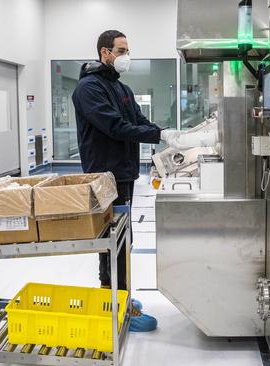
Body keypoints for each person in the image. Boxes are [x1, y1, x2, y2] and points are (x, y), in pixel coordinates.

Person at [72, 30, 177, 332]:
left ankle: (120, 296)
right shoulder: (89, 89)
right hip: (104, 176)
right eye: (121, 50)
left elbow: (138, 121)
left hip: (124, 174)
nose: (125, 56)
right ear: (105, 53)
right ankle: (114, 304)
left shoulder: (122, 89)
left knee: (123, 239)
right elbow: (116, 127)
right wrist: (155, 135)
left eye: (127, 50)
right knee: (112, 241)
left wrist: (165, 133)